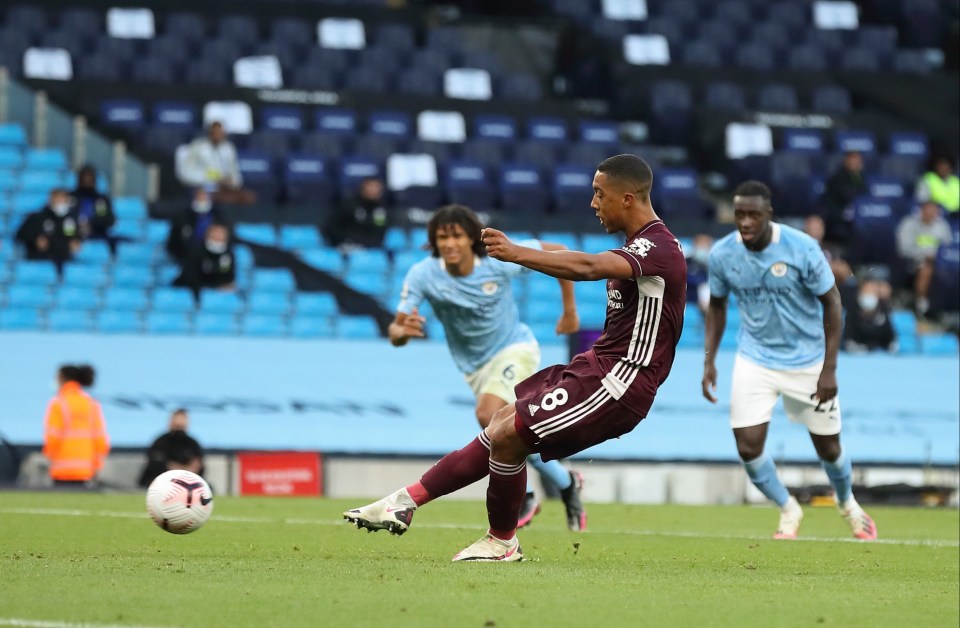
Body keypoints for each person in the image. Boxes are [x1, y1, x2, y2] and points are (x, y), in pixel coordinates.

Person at [345, 154, 687, 561]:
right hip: (597, 366)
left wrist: (516, 252)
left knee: (508, 437)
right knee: (500, 423)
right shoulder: (638, 246)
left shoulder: (656, 247)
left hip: (621, 381)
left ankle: (502, 540)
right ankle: (403, 502)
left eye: (599, 194)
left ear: (628, 198)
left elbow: (588, 265)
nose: (593, 204)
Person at [387, 204, 585, 531]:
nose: (449, 244)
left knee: (487, 415)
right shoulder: (423, 274)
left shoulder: (497, 262)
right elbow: (396, 330)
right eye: (442, 237)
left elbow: (561, 252)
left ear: (470, 239)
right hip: (474, 368)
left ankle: (528, 493)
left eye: (456, 236)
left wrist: (570, 311)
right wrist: (401, 333)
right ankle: (565, 482)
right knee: (508, 430)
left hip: (514, 348)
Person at [702, 180, 877, 541]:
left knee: (828, 447)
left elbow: (832, 301)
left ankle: (848, 504)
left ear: (769, 214)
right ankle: (788, 509)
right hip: (755, 359)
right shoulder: (722, 254)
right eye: (739, 214)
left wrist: (829, 368)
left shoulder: (801, 248)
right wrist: (710, 360)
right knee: (748, 446)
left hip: (808, 361)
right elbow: (717, 305)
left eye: (753, 214)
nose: (745, 222)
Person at [43, 364, 110, 488]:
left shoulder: (58, 403)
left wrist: (49, 457)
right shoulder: (91, 403)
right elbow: (100, 439)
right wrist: (96, 464)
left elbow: (52, 437)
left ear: (63, 379)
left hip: (61, 469)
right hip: (85, 470)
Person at [896, 201, 954, 316]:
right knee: (926, 268)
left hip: (939, 262)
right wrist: (924, 254)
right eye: (929, 210)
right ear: (922, 210)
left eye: (935, 211)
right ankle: (921, 305)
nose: (932, 214)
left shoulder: (942, 226)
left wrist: (937, 257)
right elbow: (903, 249)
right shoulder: (909, 223)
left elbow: (949, 247)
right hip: (914, 261)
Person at [175, 121, 255, 204]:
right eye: (215, 132)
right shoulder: (197, 147)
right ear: (210, 133)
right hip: (204, 187)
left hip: (225, 188)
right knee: (211, 197)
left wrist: (231, 182)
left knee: (248, 197)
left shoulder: (229, 148)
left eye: (220, 132)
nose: (218, 135)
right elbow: (186, 174)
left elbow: (236, 176)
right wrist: (213, 180)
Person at [14, 188, 82, 270]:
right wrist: (35, 240)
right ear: (50, 200)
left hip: (65, 264)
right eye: (57, 199)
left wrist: (76, 242)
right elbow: (20, 235)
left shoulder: (72, 220)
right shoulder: (36, 218)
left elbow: (77, 237)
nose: (60, 203)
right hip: (39, 263)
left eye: (63, 199)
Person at [138, 409, 205, 488]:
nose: (179, 431)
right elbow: (156, 465)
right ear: (170, 423)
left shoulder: (192, 444)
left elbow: (198, 466)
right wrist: (182, 470)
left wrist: (179, 469)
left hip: (186, 484)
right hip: (159, 482)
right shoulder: (160, 442)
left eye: (181, 426)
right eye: (176, 426)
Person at [323, 177, 390, 251]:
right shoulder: (348, 205)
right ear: (363, 188)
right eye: (372, 187)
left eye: (378, 187)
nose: (375, 190)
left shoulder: (380, 209)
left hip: (372, 247)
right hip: (347, 245)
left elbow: (380, 228)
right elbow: (332, 227)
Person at [173, 222, 236, 299]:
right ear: (208, 234)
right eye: (215, 233)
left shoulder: (228, 254)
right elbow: (191, 275)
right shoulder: (196, 251)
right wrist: (214, 286)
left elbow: (228, 275)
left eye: (221, 233)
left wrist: (223, 284)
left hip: (215, 292)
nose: (218, 236)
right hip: (189, 290)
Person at [820, 150, 867, 246]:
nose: (855, 163)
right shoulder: (837, 178)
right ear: (846, 161)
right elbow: (846, 196)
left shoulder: (860, 177)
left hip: (854, 215)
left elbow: (864, 195)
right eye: (852, 159)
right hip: (837, 218)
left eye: (857, 160)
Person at [166, 188, 224, 265]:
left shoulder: (218, 217)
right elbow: (173, 244)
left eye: (205, 196)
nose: (202, 199)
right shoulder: (182, 218)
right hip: (185, 258)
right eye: (200, 196)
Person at [842, 278, 897, 353]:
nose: (869, 293)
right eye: (867, 290)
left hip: (881, 352)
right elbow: (849, 337)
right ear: (860, 292)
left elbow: (890, 335)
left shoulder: (883, 308)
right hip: (857, 351)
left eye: (872, 291)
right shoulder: (852, 308)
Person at [71, 164, 116, 245]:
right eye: (85, 177)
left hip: (97, 237)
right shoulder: (71, 198)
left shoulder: (101, 200)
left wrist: (91, 225)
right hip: (74, 237)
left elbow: (109, 220)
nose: (87, 180)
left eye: (90, 177)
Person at [685, 233, 713, 315]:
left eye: (705, 245)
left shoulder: (711, 263)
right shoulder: (686, 260)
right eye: (701, 244)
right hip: (686, 292)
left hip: (701, 295)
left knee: (705, 288)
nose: (703, 248)